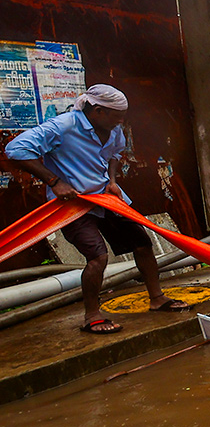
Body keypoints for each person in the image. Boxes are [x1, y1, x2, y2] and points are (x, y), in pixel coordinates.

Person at [4, 85, 190, 334]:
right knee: (97, 256)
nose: (121, 121)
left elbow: (115, 152)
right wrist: (54, 181)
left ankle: (157, 298)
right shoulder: (63, 126)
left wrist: (112, 180)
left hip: (106, 197)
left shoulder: (112, 128)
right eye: (117, 115)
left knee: (143, 243)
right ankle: (91, 315)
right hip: (74, 204)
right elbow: (15, 150)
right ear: (98, 111)